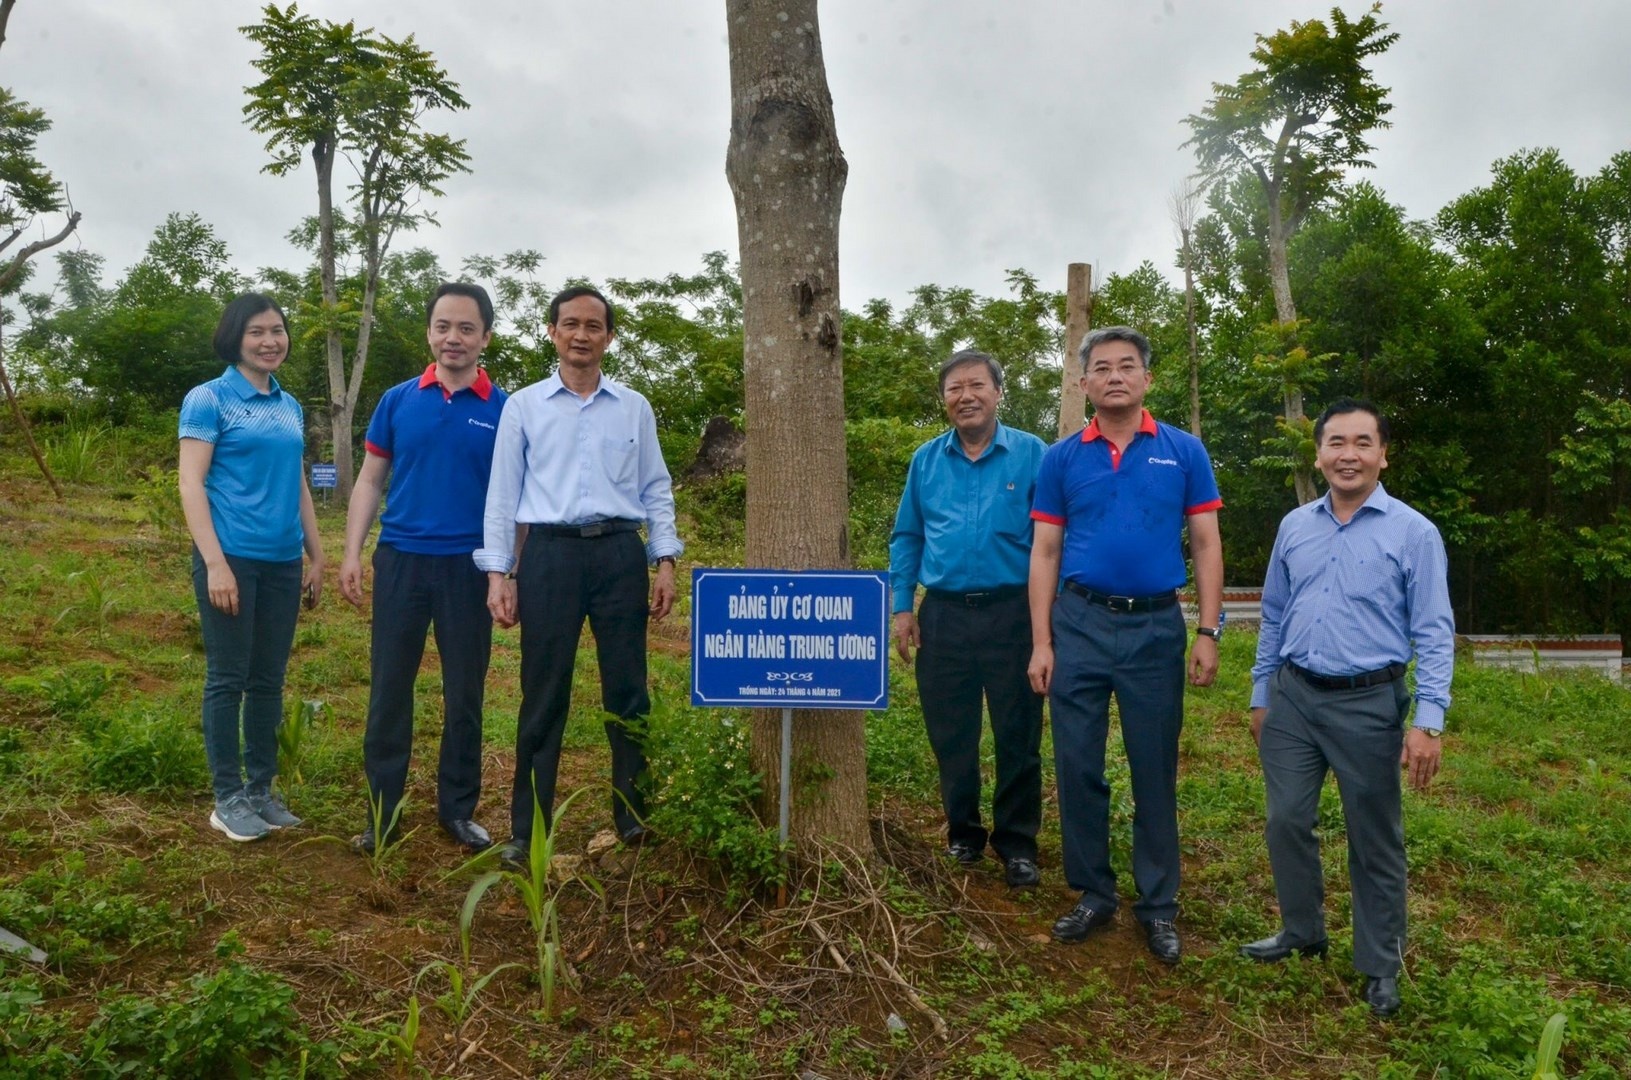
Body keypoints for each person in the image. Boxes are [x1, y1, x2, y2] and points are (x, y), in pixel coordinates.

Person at [1241, 398, 1453, 1019]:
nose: (1349, 454)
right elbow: (1275, 614)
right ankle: (1302, 931)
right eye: (1337, 442)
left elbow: (1434, 630)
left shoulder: (1413, 532)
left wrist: (1428, 719)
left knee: (1374, 838)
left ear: (1383, 455)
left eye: (1363, 442)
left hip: (1369, 705)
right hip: (1294, 698)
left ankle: (1380, 964)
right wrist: (1262, 692)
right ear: (1319, 453)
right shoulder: (1294, 526)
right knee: (1285, 821)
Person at [1027, 326, 1223, 965]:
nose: (1115, 376)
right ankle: (1093, 891)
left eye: (1127, 366)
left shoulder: (1183, 451)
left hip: (1155, 629)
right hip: (1078, 624)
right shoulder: (1061, 459)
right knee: (1077, 764)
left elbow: (1205, 543)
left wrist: (1208, 631)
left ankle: (1159, 905)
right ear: (1083, 383)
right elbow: (1047, 551)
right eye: (1101, 367)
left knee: (1153, 766)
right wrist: (1041, 642)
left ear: (1147, 378)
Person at [476, 286, 682, 867]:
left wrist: (663, 560)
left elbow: (655, 488)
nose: (582, 335)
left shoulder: (633, 407)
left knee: (628, 690)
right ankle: (528, 829)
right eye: (571, 324)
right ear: (552, 332)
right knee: (544, 691)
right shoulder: (525, 406)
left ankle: (634, 818)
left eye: (594, 325)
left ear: (609, 337)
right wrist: (500, 573)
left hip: (619, 553)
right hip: (550, 556)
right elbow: (503, 496)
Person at [339, 283, 509, 855]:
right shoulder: (398, 399)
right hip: (401, 562)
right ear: (429, 332)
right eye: (443, 326)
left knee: (465, 692)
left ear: (485, 336)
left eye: (466, 328)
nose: (452, 337)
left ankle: (457, 811)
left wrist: (507, 571)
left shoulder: (505, 410)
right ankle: (381, 815)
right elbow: (369, 479)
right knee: (389, 689)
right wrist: (352, 551)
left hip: (471, 567)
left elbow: (517, 499)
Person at [889, 349, 1048, 889]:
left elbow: (1054, 541)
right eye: (954, 389)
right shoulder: (926, 461)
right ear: (944, 400)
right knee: (951, 732)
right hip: (945, 617)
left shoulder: (1033, 456)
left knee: (1017, 731)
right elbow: (907, 536)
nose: (965, 396)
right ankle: (963, 833)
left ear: (999, 392)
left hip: (1014, 614)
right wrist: (902, 608)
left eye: (976, 385)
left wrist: (1049, 625)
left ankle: (1018, 842)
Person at [179, 293, 324, 843]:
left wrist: (316, 554)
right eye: (258, 332)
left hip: (283, 560)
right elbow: (191, 481)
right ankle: (227, 798)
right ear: (236, 338)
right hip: (231, 556)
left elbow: (300, 484)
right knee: (228, 677)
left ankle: (262, 790)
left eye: (278, 331)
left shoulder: (289, 405)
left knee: (268, 679)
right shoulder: (209, 399)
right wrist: (215, 564)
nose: (270, 341)